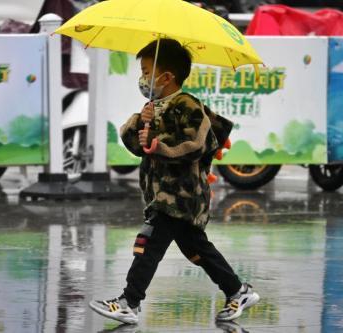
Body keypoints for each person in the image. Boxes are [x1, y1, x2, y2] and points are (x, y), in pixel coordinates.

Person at [89, 38, 260, 325]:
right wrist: (141, 123)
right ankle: (237, 290)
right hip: (162, 195)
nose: (142, 78)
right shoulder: (154, 107)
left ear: (166, 77)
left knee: (148, 243)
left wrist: (158, 145)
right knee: (197, 249)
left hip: (180, 195)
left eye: (146, 71)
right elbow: (135, 143)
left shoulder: (187, 105)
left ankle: (129, 301)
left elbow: (197, 143)